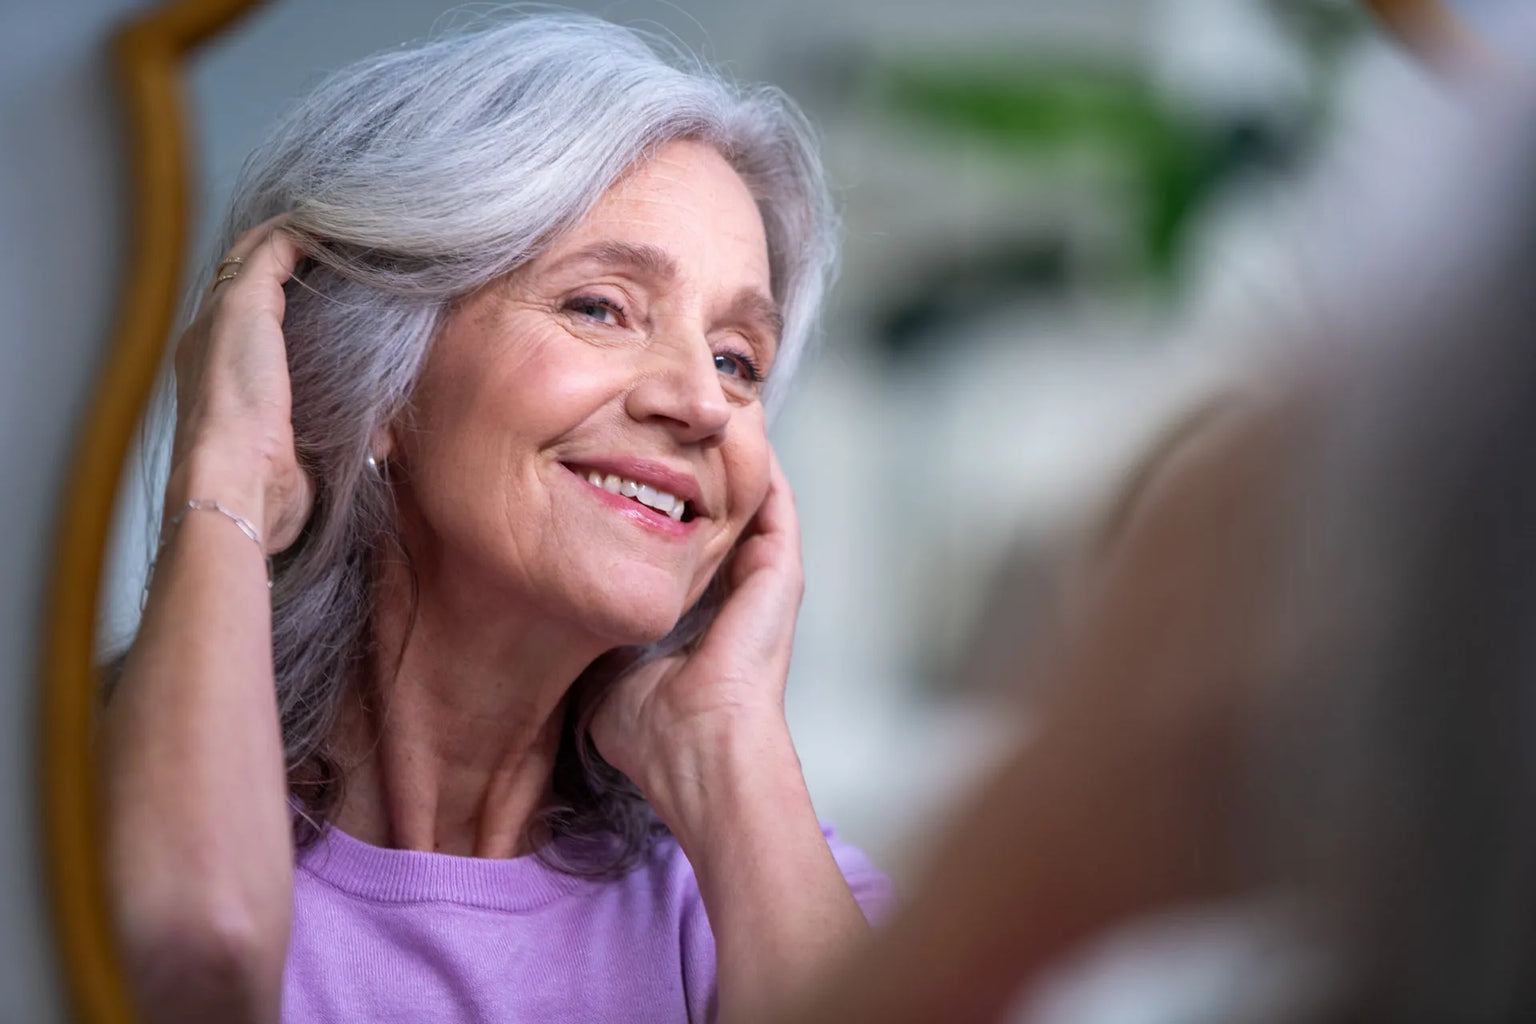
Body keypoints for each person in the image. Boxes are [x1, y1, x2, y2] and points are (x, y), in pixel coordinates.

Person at [99, 14, 893, 1024]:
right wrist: (226, 480)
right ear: (376, 386)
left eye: (740, 359)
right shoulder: (94, 791)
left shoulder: (760, 888)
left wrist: (728, 744)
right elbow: (189, 949)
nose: (702, 402)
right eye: (600, 306)